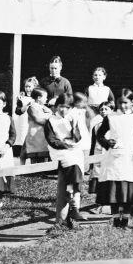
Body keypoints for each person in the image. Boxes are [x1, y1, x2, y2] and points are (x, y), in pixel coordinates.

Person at [91, 93, 133, 229]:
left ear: (131, 103)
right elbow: (100, 134)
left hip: (130, 157)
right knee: (114, 191)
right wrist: (107, 142)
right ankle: (116, 221)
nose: (123, 106)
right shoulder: (111, 117)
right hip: (114, 158)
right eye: (120, 103)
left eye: (126, 103)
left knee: (127, 192)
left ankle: (125, 221)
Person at [42, 92, 91, 230]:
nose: (63, 110)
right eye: (61, 107)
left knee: (76, 171)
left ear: (71, 108)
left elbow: (78, 138)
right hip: (59, 151)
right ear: (57, 106)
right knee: (72, 168)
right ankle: (74, 206)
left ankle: (72, 200)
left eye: (67, 107)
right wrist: (64, 145)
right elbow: (51, 140)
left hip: (73, 149)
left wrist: (74, 125)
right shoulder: (51, 120)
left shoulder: (73, 118)